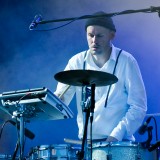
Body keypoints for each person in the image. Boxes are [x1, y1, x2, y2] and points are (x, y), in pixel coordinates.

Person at [54, 11, 147, 142]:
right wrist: (53, 101)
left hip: (119, 142)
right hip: (86, 143)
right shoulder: (77, 62)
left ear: (112, 35)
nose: (94, 41)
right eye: (90, 35)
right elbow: (61, 100)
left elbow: (138, 106)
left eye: (99, 36)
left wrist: (116, 134)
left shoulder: (127, 61)